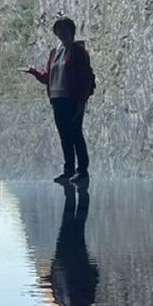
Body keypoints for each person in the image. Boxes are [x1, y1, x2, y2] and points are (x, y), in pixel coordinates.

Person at [25, 15, 94, 183]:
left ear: (71, 31)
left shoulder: (78, 51)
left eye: (64, 30)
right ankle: (68, 170)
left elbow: (85, 78)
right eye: (58, 30)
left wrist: (81, 100)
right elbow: (48, 77)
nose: (61, 33)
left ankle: (82, 170)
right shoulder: (55, 53)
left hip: (72, 99)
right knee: (64, 136)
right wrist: (34, 72)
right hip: (57, 99)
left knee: (76, 134)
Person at [45, 182, 99, 306]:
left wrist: (51, 273)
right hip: (71, 261)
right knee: (73, 225)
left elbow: (58, 283)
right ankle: (78, 191)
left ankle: (75, 192)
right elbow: (90, 281)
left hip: (68, 261)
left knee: (74, 225)